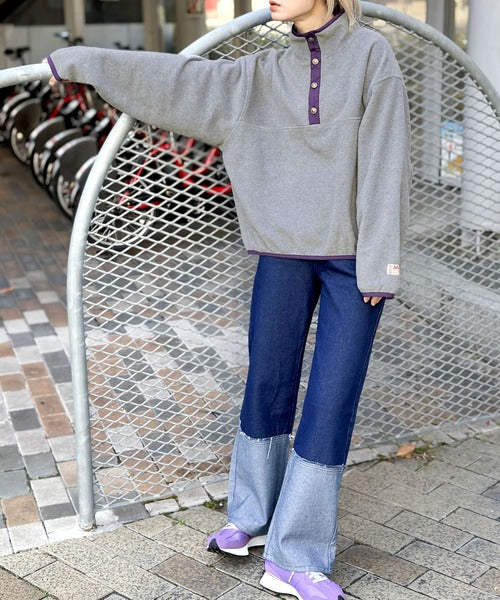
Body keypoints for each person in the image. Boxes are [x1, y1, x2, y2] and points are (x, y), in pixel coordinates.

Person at [45, 0, 412, 597]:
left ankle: (296, 556)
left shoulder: (372, 54)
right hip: (280, 254)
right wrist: (83, 61)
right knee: (266, 382)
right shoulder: (260, 72)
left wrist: (380, 263)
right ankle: (253, 515)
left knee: (331, 400)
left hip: (353, 263)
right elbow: (179, 82)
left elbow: (386, 159)